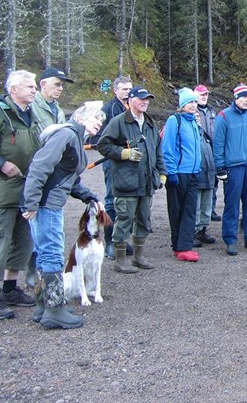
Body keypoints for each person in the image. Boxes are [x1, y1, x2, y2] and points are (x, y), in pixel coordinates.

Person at [21, 103, 105, 329]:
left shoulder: (74, 137)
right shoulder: (67, 134)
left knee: (44, 252)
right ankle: (54, 309)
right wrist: (30, 201)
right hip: (46, 204)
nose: (99, 121)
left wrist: (89, 196)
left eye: (101, 118)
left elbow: (69, 179)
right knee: (51, 253)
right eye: (96, 117)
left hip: (49, 202)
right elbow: (40, 166)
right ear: (81, 116)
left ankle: (44, 305)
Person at [0, 70, 42, 321]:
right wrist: (0, 163)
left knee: (23, 242)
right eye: (29, 86)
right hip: (0, 191)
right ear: (14, 90)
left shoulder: (30, 115)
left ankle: (10, 289)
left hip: (25, 191)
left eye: (34, 87)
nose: (33, 90)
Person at [97, 86, 166, 274]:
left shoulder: (150, 124)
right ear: (130, 101)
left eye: (148, 99)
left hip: (146, 182)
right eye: (141, 98)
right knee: (124, 219)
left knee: (144, 219)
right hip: (126, 181)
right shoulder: (118, 122)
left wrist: (162, 173)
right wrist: (123, 153)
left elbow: (157, 151)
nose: (145, 102)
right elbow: (103, 145)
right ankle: (120, 260)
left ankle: (138, 256)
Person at [213, 84, 247, 256]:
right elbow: (218, 144)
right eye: (243, 97)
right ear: (236, 98)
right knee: (232, 205)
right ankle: (230, 239)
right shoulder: (224, 116)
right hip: (233, 167)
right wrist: (220, 167)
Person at [162, 89, 202, 262]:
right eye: (189, 103)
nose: (193, 105)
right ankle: (178, 246)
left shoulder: (193, 122)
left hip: (193, 173)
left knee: (190, 210)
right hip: (179, 172)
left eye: (194, 102)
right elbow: (168, 147)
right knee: (176, 210)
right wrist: (171, 171)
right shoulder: (174, 120)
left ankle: (185, 246)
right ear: (182, 105)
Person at [97, 76, 132, 259]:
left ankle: (123, 239)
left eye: (129, 89)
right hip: (112, 162)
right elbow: (98, 140)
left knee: (128, 201)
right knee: (111, 201)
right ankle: (109, 242)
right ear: (115, 91)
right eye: (124, 89)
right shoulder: (108, 109)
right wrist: (119, 151)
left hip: (131, 164)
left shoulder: (134, 107)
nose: (127, 93)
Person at [195, 84, 221, 223]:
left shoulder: (212, 111)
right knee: (199, 187)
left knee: (213, 183)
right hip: (199, 151)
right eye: (201, 94)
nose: (204, 97)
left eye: (206, 94)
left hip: (212, 150)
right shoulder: (193, 111)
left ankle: (211, 209)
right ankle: (197, 222)